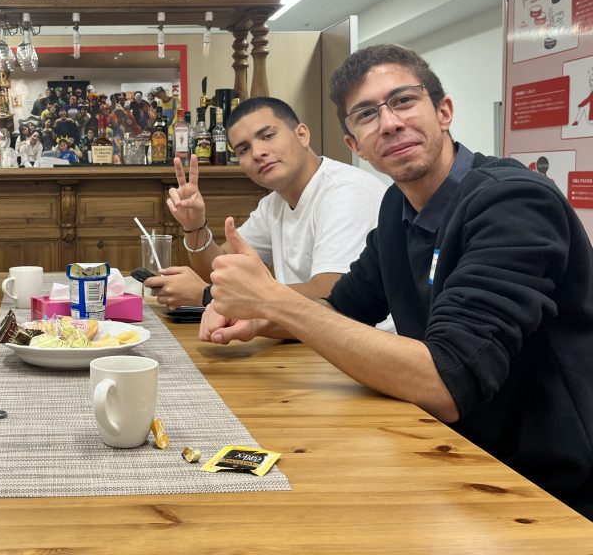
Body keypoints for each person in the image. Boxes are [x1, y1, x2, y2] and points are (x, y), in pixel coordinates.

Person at [208, 44, 593, 518]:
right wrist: (259, 318)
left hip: (547, 488)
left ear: (444, 111)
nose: (389, 123)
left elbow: (447, 381)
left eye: (404, 101)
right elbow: (341, 306)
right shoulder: (397, 207)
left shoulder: (514, 202)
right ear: (354, 145)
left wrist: (274, 302)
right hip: (448, 455)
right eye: (366, 115)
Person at [147, 96, 391, 341]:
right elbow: (218, 268)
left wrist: (207, 294)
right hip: (303, 341)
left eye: (267, 136)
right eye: (244, 149)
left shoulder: (347, 191)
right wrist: (194, 225)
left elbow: (331, 295)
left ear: (302, 135)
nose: (258, 153)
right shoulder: (273, 204)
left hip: (365, 344)